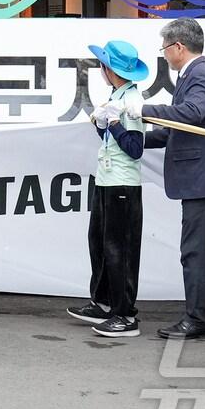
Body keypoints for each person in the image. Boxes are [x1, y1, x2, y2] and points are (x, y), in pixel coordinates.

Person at [130, 17, 205, 341]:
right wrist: (134, 138)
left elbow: (192, 113)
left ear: (178, 47)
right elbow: (175, 131)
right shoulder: (194, 75)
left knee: (195, 253)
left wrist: (143, 110)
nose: (164, 54)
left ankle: (197, 318)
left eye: (164, 48)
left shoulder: (200, 74)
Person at [67, 41, 148, 338]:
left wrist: (113, 122)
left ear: (108, 69)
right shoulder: (118, 95)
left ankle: (125, 315)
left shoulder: (132, 100)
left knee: (120, 250)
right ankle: (103, 303)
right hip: (107, 179)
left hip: (122, 183)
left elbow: (135, 148)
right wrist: (101, 124)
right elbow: (112, 139)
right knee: (99, 243)